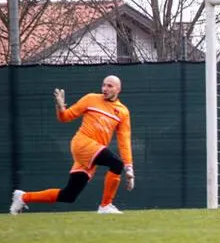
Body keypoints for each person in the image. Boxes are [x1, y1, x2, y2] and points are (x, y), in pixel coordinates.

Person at [10, 75, 135, 215]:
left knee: (69, 195)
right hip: (82, 143)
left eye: (109, 86)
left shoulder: (122, 112)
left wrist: (129, 167)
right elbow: (65, 117)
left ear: (118, 89)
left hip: (92, 151)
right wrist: (59, 107)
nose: (105, 88)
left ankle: (23, 197)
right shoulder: (91, 98)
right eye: (104, 85)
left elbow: (124, 140)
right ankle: (106, 205)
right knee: (116, 164)